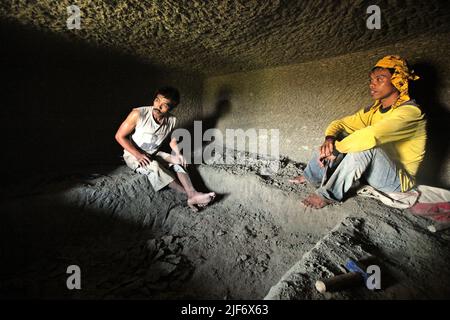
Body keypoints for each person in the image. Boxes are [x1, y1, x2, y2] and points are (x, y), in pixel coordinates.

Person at [289, 55, 427, 209]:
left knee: (366, 147)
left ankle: (328, 195)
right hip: (374, 174)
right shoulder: (374, 111)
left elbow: (371, 136)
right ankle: (311, 177)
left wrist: (337, 149)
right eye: (372, 79)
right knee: (340, 137)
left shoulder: (411, 112)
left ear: (398, 81)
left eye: (380, 79)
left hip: (397, 182)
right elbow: (340, 124)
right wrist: (329, 139)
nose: (372, 84)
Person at [115, 86, 215, 211]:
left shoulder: (172, 120)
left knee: (178, 161)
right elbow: (119, 136)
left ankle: (192, 193)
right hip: (133, 155)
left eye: (165, 105)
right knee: (155, 166)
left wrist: (178, 154)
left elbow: (173, 142)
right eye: (157, 100)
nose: (158, 106)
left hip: (154, 153)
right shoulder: (138, 114)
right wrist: (138, 155)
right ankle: (191, 195)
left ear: (172, 107)